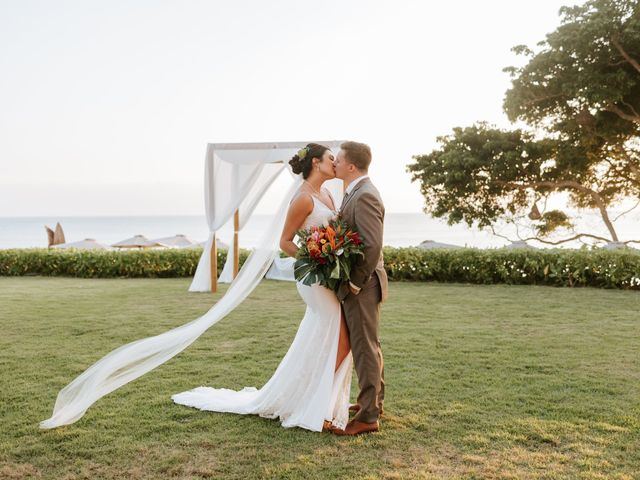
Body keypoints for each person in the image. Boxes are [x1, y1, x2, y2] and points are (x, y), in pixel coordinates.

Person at [172, 143, 354, 432]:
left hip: (330, 276)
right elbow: (285, 241)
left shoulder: (329, 194)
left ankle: (318, 402)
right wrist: (316, 258)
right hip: (314, 278)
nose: (336, 163)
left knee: (327, 338)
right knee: (340, 337)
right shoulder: (303, 199)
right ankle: (317, 407)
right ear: (316, 163)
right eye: (331, 159)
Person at [332, 141, 388, 436]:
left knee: (365, 348)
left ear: (351, 166)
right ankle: (372, 402)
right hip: (363, 284)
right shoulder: (355, 191)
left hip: (363, 285)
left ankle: (368, 417)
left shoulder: (364, 195)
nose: (335, 164)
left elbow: (371, 244)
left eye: (338, 159)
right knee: (368, 345)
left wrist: (354, 282)